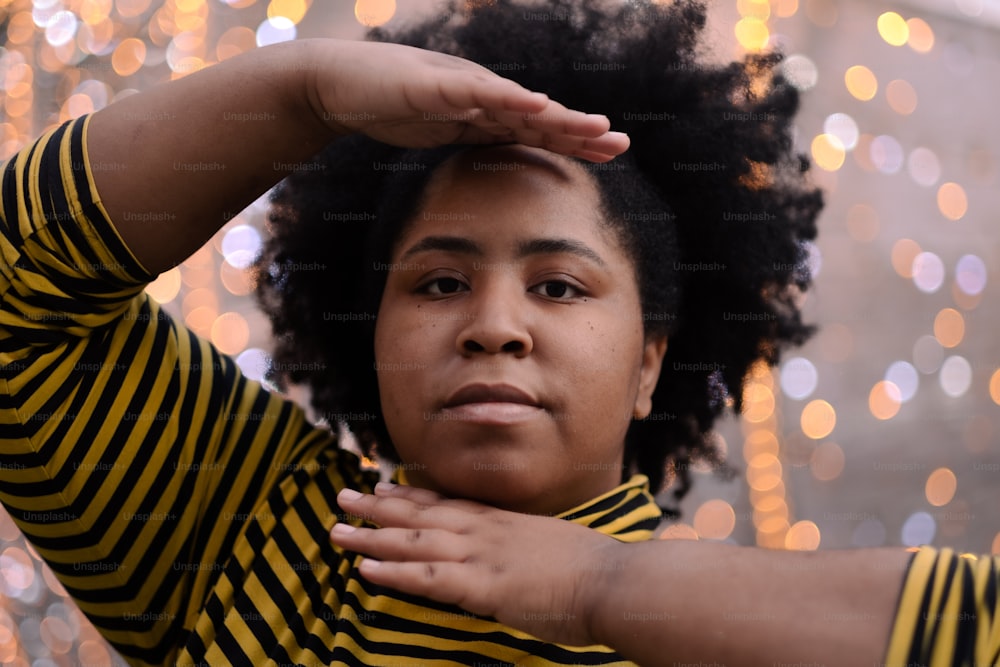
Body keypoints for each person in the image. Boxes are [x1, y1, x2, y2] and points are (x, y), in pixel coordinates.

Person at [2, 0, 981, 665]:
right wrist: (301, 92)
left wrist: (598, 586)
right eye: (437, 282)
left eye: (557, 285)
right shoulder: (259, 541)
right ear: (367, 327)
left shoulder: (742, 635)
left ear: (651, 359)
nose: (494, 326)